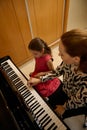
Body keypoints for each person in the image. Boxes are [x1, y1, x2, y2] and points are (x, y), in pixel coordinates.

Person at [27, 29, 87, 119]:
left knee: (55, 115)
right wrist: (40, 79)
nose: (58, 54)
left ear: (76, 59)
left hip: (79, 103)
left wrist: (64, 107)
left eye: (62, 54)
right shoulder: (68, 62)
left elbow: (78, 101)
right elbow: (57, 71)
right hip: (67, 90)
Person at [28, 38, 61, 107]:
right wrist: (34, 72)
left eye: (35, 54)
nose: (34, 56)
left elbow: (53, 72)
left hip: (46, 76)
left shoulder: (47, 59)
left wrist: (41, 74)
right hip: (39, 72)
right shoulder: (38, 55)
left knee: (42, 91)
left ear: (42, 51)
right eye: (32, 54)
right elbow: (37, 65)